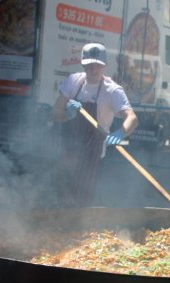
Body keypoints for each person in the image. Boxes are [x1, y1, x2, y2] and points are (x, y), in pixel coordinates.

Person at [52, 42, 138, 206]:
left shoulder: (112, 90)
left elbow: (132, 118)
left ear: (104, 65)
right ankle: (63, 229)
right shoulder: (73, 82)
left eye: (96, 65)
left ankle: (83, 230)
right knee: (63, 196)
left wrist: (121, 132)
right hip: (69, 152)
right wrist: (67, 115)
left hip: (93, 156)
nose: (92, 69)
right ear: (82, 64)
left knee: (85, 200)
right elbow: (55, 113)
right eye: (88, 65)